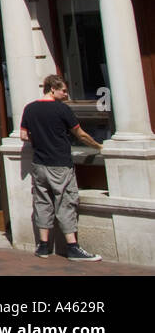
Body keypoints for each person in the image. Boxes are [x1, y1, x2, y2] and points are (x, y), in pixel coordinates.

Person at [20, 74, 104, 261]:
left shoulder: (29, 108)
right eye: (64, 90)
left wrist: (41, 141)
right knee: (66, 202)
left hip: (39, 164)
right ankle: (72, 247)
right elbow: (80, 134)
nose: (66, 94)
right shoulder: (62, 109)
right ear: (52, 89)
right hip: (60, 164)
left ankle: (43, 247)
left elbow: (24, 136)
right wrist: (99, 146)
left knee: (42, 203)